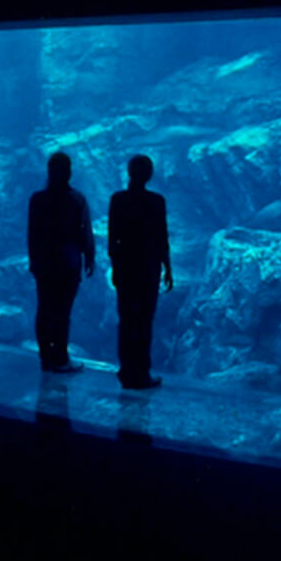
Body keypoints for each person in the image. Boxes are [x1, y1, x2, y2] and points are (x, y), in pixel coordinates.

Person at [108, 154, 172, 390]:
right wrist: (168, 267)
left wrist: (115, 266)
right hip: (148, 268)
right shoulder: (157, 201)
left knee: (126, 319)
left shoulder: (118, 199)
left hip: (125, 267)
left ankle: (126, 370)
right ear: (149, 175)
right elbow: (161, 237)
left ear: (129, 172)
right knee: (144, 321)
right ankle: (142, 372)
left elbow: (113, 237)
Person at [28, 151, 95, 373]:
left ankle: (46, 356)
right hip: (68, 263)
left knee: (44, 308)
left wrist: (34, 261)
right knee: (62, 312)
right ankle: (60, 357)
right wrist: (89, 256)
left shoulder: (37, 199)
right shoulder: (77, 199)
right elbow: (85, 231)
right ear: (69, 172)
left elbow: (32, 234)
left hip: (45, 264)